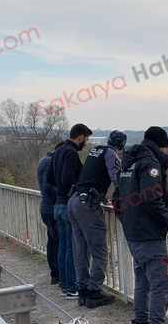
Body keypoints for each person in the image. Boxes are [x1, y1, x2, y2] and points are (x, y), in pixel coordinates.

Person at [113, 126, 168, 324]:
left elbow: (116, 200)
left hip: (133, 234)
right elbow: (152, 198)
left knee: (143, 281)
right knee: (160, 285)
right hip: (149, 235)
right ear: (162, 145)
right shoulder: (150, 164)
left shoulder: (128, 162)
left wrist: (129, 223)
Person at [68, 130, 126, 308]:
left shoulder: (96, 150)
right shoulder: (111, 154)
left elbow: (91, 177)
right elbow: (116, 178)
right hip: (88, 205)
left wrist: (102, 197)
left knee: (81, 249)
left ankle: (83, 290)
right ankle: (94, 293)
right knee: (100, 251)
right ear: (121, 146)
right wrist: (123, 199)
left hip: (74, 201)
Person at [47, 123, 92, 300]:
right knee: (72, 248)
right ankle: (72, 287)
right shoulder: (72, 153)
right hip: (68, 206)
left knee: (63, 247)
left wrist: (60, 192)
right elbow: (67, 178)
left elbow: (50, 178)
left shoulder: (58, 151)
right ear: (80, 137)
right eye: (86, 139)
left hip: (57, 205)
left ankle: (64, 285)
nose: (86, 143)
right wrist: (76, 192)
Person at [36, 142, 63, 285]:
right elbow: (48, 187)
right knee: (55, 242)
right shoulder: (49, 162)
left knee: (53, 241)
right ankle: (56, 274)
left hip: (47, 208)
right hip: (50, 208)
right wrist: (64, 194)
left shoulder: (45, 160)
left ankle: (55, 273)